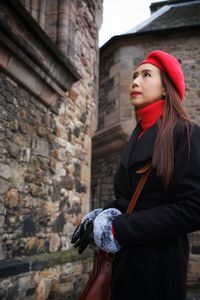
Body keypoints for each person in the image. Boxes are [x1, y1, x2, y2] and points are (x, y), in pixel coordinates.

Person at [71, 50, 200, 300]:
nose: (135, 81)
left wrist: (120, 230)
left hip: (159, 268)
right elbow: (128, 200)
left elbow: (194, 209)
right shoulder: (137, 136)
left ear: (165, 88)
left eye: (146, 75)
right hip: (124, 265)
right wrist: (97, 218)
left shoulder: (186, 134)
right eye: (134, 75)